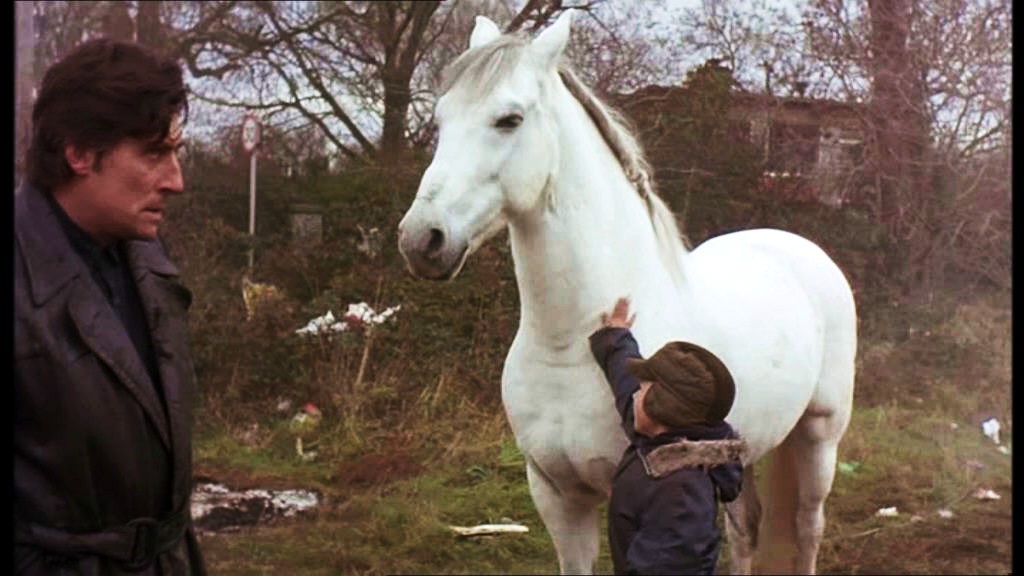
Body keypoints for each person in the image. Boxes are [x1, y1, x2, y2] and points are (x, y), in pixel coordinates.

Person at [15, 38, 207, 575]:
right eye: (152, 154)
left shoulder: (147, 258)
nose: (176, 180)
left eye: (176, 152)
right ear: (79, 153)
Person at [589, 297, 744, 575]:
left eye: (644, 388)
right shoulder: (660, 437)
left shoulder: (681, 493)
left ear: (661, 407)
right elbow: (627, 390)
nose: (636, 392)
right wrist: (616, 339)